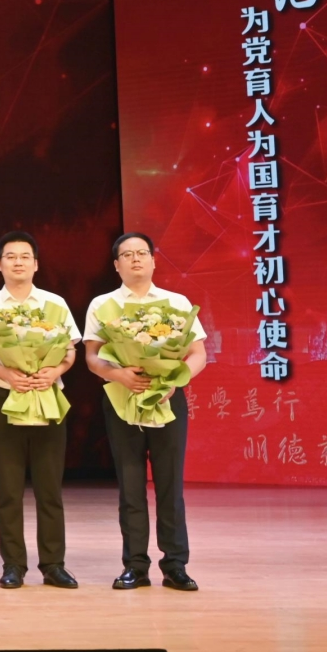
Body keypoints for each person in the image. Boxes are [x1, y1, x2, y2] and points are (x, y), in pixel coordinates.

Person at [83, 232, 208, 592]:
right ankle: (135, 566)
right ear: (116, 265)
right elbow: (92, 356)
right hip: (123, 399)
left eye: (142, 253)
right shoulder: (103, 304)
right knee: (131, 486)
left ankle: (175, 565)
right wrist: (118, 374)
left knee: (170, 485)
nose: (136, 259)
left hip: (167, 400)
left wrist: (175, 381)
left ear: (153, 260)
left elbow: (198, 353)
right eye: (127, 254)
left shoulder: (176, 302)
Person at [0, 231, 80, 590]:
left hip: (48, 397)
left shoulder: (55, 303)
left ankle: (54, 565)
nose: (18, 262)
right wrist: (9, 374)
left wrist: (55, 371)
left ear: (36, 264)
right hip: (4, 398)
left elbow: (70, 350)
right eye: (11, 256)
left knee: (50, 488)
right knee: (9, 488)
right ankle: (13, 564)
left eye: (25, 256)